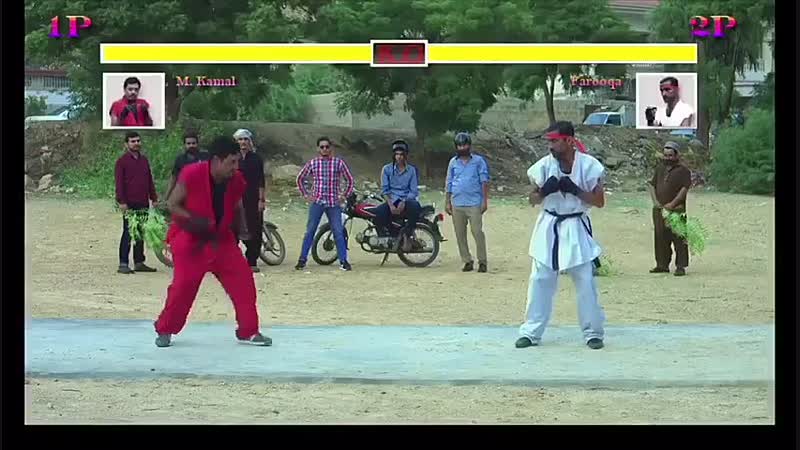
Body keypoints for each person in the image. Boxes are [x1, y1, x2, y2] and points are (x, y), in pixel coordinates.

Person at [153, 136, 271, 348]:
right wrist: (193, 220)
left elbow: (237, 205)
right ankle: (165, 329)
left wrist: (243, 229)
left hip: (221, 239)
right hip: (191, 239)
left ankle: (249, 331)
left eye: (237, 162)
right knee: (183, 288)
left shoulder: (236, 179)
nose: (236, 167)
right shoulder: (191, 173)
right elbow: (173, 204)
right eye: (231, 162)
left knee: (244, 282)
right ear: (217, 160)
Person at [516, 121, 607, 350]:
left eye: (555, 141)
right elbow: (531, 200)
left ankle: (593, 332)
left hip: (575, 225)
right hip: (549, 225)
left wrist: (575, 190)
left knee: (585, 281)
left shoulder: (589, 167)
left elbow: (599, 201)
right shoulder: (543, 166)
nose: (551, 146)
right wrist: (544, 191)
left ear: (568, 140)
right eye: (549, 141)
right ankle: (531, 332)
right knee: (539, 279)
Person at [295, 137, 355, 271]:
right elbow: (300, 178)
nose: (325, 149)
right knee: (310, 231)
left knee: (338, 231)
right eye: (322, 147)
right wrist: (306, 194)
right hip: (317, 201)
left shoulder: (338, 163)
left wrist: (344, 195)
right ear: (318, 149)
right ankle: (302, 259)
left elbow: (350, 180)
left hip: (333, 203)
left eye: (327, 147)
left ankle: (343, 260)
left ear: (331, 148)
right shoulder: (313, 163)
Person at [445, 132, 490, 273]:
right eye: (459, 145)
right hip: (457, 203)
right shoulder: (453, 162)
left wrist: (484, 201)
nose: (462, 148)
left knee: (477, 232)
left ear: (469, 145)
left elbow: (484, 181)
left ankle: (482, 261)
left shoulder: (478, 161)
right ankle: (467, 260)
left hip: (474, 202)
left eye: (464, 145)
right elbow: (449, 182)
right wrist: (447, 201)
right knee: (460, 234)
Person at [114, 131, 158, 274]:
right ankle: (123, 263)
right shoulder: (122, 162)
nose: (136, 143)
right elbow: (119, 183)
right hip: (129, 203)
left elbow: (149, 180)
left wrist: (154, 198)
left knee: (140, 232)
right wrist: (121, 202)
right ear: (126, 144)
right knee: (128, 232)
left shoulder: (144, 160)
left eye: (138, 141)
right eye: (133, 141)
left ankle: (139, 262)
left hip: (143, 201)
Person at [648, 141, 692, 276]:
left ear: (676, 155)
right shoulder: (660, 168)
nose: (667, 158)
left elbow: (684, 189)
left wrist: (672, 204)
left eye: (670, 155)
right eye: (665, 155)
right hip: (659, 210)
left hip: (676, 210)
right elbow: (651, 185)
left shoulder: (683, 171)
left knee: (679, 238)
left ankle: (680, 266)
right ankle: (662, 265)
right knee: (660, 237)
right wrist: (655, 202)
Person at [373, 139, 421, 252]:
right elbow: (385, 190)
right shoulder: (387, 169)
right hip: (392, 200)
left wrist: (403, 201)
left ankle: (407, 234)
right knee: (378, 214)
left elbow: (413, 191)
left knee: (416, 208)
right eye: (397, 154)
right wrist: (391, 204)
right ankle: (392, 237)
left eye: (401, 154)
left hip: (406, 200)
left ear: (405, 156)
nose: (399, 157)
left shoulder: (411, 170)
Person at [233, 129, 267, 272]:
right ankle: (233, 261)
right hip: (234, 198)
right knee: (233, 229)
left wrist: (261, 200)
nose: (243, 142)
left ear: (250, 141)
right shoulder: (233, 158)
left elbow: (261, 180)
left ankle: (252, 261)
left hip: (252, 198)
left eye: (245, 139)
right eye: (240, 139)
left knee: (255, 228)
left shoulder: (256, 159)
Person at [166, 130, 209, 199]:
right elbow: (174, 178)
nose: (191, 145)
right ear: (184, 145)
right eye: (188, 143)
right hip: (185, 195)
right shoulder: (180, 159)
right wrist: (167, 197)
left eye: (193, 143)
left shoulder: (205, 156)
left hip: (203, 194)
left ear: (197, 144)